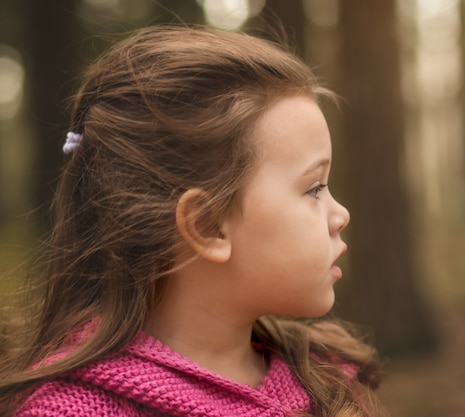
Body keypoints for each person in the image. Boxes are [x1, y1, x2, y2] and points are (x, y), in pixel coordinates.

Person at [0, 26, 387, 417]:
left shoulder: (326, 376)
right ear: (207, 225)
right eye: (314, 189)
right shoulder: (73, 411)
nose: (341, 215)